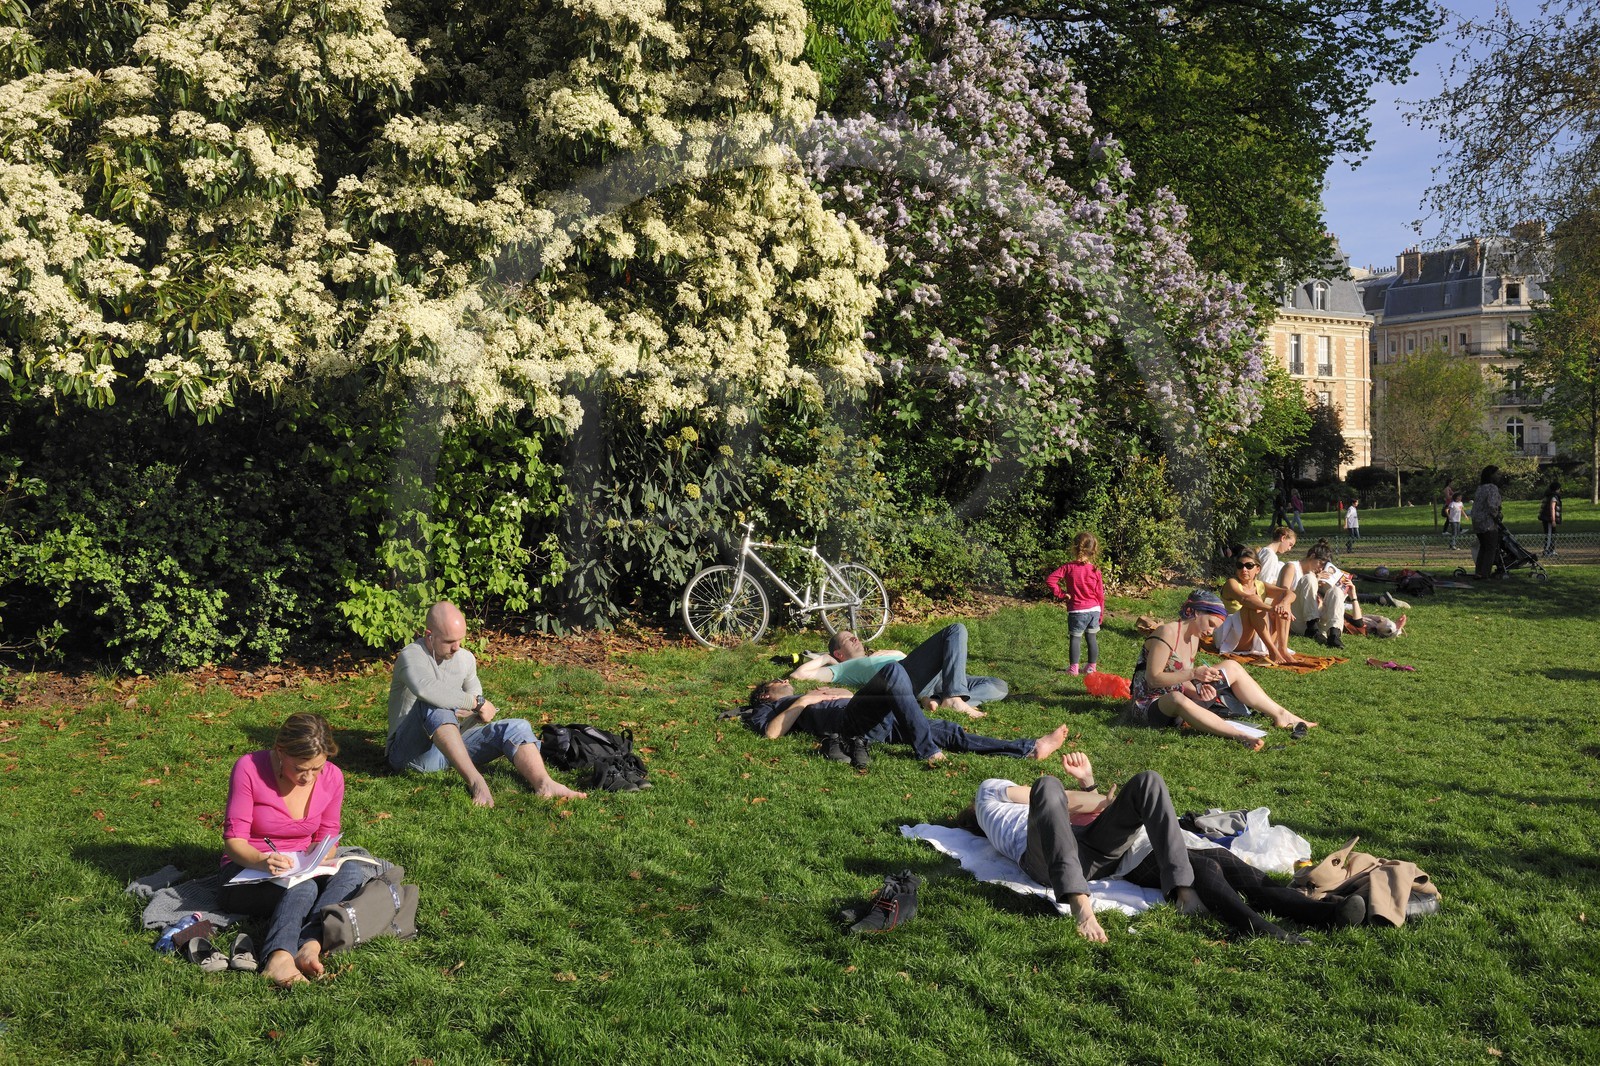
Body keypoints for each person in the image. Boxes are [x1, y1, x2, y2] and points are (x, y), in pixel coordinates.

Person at [971, 752, 1365, 944]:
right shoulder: (990, 796)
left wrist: (1089, 783)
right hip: (1043, 859)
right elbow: (1045, 797)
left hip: (1095, 848)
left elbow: (1099, 805)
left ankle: (1184, 888)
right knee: (1047, 785)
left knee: (1147, 781)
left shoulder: (1056, 802)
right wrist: (1067, 783)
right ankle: (1080, 906)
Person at [221, 713, 370, 987]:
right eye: (301, 768)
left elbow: (329, 834)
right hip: (248, 871)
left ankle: (309, 944)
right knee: (304, 889)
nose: (309, 776)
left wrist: (322, 855)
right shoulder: (249, 768)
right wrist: (262, 860)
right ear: (280, 752)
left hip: (300, 865)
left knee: (351, 871)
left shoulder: (333, 777)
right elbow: (234, 842)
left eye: (317, 768)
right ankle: (278, 957)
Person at [387, 601, 585, 806]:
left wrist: (476, 709)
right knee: (433, 704)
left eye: (460, 640)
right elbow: (426, 690)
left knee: (517, 727)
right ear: (429, 635)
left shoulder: (465, 659)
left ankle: (544, 784)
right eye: (449, 641)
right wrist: (474, 703)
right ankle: (477, 782)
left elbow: (475, 696)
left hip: (451, 747)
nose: (456, 647)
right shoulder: (411, 655)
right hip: (409, 755)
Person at [748, 662, 1068, 767]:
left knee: (952, 733)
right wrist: (803, 702)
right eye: (779, 682)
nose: (785, 680)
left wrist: (832, 693)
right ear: (766, 694)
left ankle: (1029, 748)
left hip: (872, 717)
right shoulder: (771, 708)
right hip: (850, 725)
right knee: (892, 671)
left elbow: (846, 696)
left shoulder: (804, 694)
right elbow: (772, 733)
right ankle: (926, 749)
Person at [1126, 590, 1313, 750]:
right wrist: (1193, 674)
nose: (1210, 631)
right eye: (1211, 624)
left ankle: (1281, 714)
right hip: (1150, 704)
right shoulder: (1166, 632)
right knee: (1177, 698)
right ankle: (1239, 735)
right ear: (1196, 613)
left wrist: (1198, 691)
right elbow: (1153, 679)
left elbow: (1179, 677)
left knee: (1232, 666)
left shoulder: (1193, 638)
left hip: (1179, 693)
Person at [788, 623, 1005, 718]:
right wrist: (825, 658)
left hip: (936, 679)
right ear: (839, 654)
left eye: (853, 635)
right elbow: (799, 675)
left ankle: (940, 699)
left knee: (999, 686)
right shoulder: (845, 668)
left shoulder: (880, 653)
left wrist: (897, 651)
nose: (854, 637)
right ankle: (954, 697)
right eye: (846, 639)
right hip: (907, 680)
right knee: (956, 630)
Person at [1046, 531, 1107, 677]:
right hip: (1094, 610)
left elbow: (1050, 580)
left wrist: (1061, 594)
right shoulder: (1095, 570)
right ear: (1094, 550)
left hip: (1077, 611)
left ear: (1074, 547)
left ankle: (1073, 669)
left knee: (1076, 638)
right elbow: (1100, 594)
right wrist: (1101, 612)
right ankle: (1091, 668)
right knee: (1091, 638)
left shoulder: (1068, 567)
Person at [1217, 553, 1295, 663]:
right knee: (1253, 603)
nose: (1244, 569)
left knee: (1283, 599)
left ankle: (1282, 649)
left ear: (1257, 569)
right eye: (1240, 566)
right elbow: (1245, 599)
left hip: (1258, 635)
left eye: (1249, 566)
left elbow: (1290, 593)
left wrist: (1283, 604)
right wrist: (1273, 609)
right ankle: (1273, 652)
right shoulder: (1232, 583)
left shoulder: (1261, 585)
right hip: (1235, 637)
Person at [1290, 540, 1362, 649]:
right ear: (1312, 556)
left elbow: (1359, 623)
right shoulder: (1293, 567)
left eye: (1324, 566)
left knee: (1336, 590)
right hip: (1300, 620)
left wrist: (1352, 594)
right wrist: (1315, 580)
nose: (1320, 569)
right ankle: (1312, 627)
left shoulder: (1322, 576)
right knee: (1309, 577)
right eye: (1320, 564)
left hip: (1322, 624)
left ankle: (1334, 634)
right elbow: (1282, 592)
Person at [1472, 465, 1503, 579]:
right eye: (1497, 474)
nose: (1499, 476)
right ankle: (1485, 574)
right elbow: (1492, 505)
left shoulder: (1480, 488)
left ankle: (1478, 572)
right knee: (1490, 548)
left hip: (1477, 521)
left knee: (1483, 547)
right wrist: (1497, 516)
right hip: (1488, 523)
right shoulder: (1492, 488)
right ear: (1491, 475)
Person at [1540, 480, 1562, 557]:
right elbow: (1552, 508)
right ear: (1557, 489)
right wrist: (1553, 520)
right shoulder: (1553, 497)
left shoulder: (1549, 495)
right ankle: (1546, 551)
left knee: (1552, 534)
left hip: (1548, 519)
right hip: (1548, 519)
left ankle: (1552, 550)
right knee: (1549, 535)